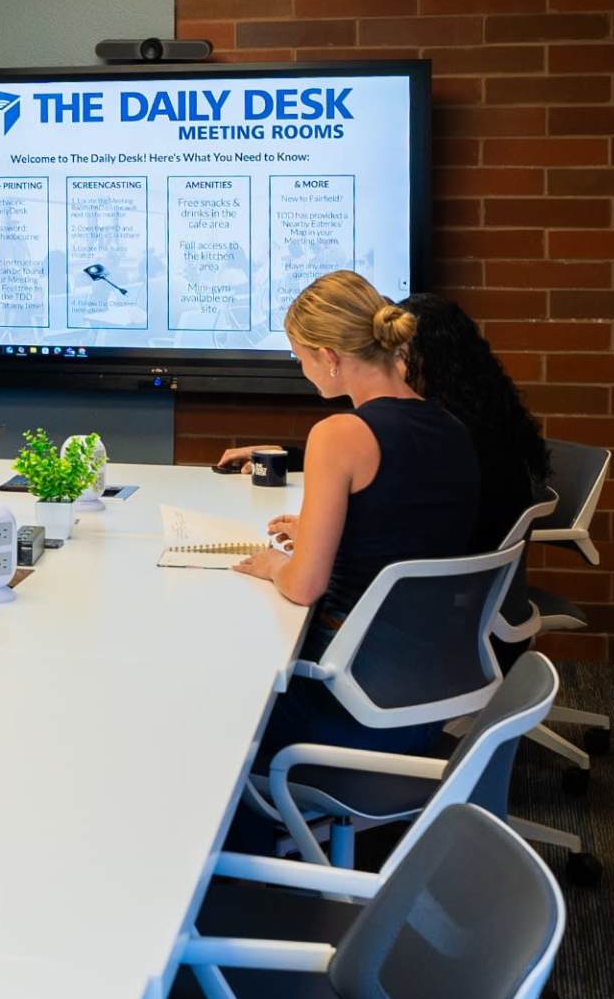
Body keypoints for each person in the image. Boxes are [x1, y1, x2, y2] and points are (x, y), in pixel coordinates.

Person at [222, 271, 478, 759]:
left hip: (344, 689)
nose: (302, 371)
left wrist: (277, 563)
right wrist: (323, 533)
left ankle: (246, 829)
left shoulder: (340, 434)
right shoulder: (450, 425)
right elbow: (406, 529)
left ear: (329, 357)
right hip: (421, 689)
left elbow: (304, 585)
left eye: (300, 358)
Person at [400, 294, 557, 558]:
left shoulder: (447, 431)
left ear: (427, 357)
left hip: (452, 572)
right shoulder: (489, 406)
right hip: (480, 570)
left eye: (399, 355)